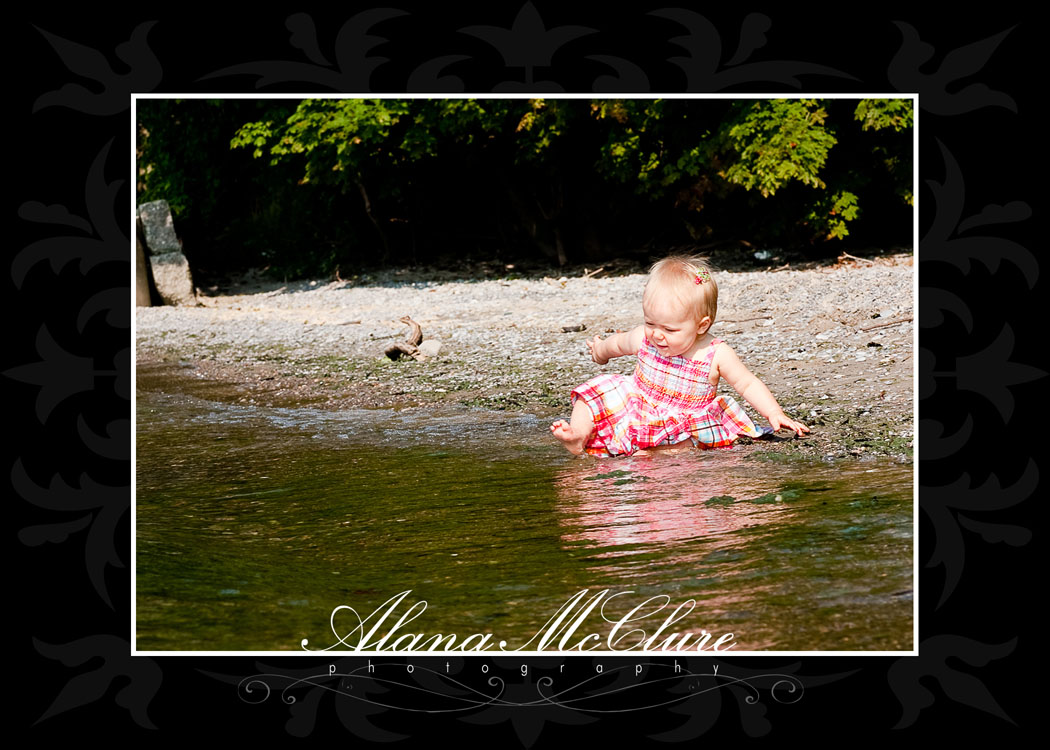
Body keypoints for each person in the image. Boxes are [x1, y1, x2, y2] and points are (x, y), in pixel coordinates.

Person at [550, 255, 809, 456]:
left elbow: (747, 383)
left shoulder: (715, 353)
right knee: (596, 392)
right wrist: (600, 351)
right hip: (637, 401)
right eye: (651, 323)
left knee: (687, 439)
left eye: (670, 329)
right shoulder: (644, 337)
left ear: (701, 325)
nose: (657, 335)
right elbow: (616, 344)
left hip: (682, 417)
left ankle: (652, 456)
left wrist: (773, 413)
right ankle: (578, 435)